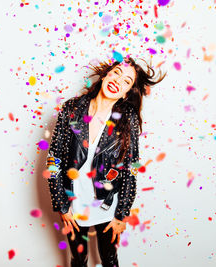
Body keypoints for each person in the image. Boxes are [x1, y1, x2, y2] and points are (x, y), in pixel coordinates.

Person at [46, 56, 166, 267]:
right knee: (78, 260)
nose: (118, 81)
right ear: (106, 75)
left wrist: (122, 214)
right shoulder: (71, 109)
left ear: (127, 92)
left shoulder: (127, 118)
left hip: (107, 204)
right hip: (74, 205)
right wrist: (61, 205)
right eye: (117, 73)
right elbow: (53, 159)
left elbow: (132, 169)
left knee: (110, 260)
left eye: (127, 81)